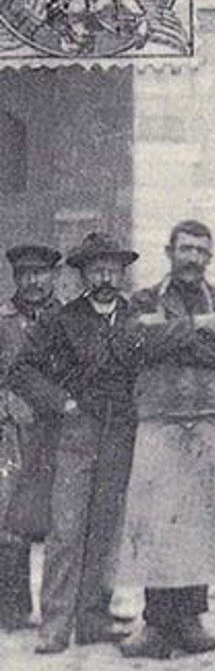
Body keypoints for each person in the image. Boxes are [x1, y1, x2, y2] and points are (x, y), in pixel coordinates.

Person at [116, 220, 215, 660]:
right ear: (169, 251)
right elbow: (135, 346)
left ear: (209, 257)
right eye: (186, 249)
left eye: (201, 251)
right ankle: (156, 623)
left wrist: (170, 337)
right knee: (158, 524)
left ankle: (190, 617)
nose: (193, 258)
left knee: (200, 524)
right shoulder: (144, 299)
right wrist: (197, 328)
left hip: (210, 420)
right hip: (161, 420)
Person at [10, 233, 141, 654]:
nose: (105, 277)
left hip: (119, 435)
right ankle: (56, 622)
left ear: (122, 273)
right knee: (66, 530)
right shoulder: (61, 321)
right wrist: (60, 401)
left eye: (112, 269)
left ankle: (93, 617)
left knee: (105, 529)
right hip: (76, 435)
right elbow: (22, 370)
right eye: (97, 269)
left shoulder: (136, 318)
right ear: (84, 273)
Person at [0, 243, 61, 631]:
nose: (33, 281)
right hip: (13, 433)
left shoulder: (68, 318)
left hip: (59, 429)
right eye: (25, 274)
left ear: (53, 276)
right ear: (15, 279)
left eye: (40, 273)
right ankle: (12, 608)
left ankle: (62, 606)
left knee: (65, 518)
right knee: (10, 519)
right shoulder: (2, 321)